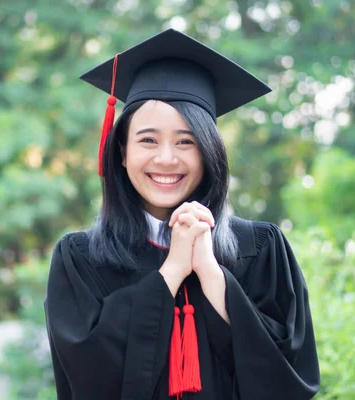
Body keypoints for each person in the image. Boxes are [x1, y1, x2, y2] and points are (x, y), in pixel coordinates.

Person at [44, 29, 320, 400]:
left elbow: (290, 375)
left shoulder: (260, 248)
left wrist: (211, 274)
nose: (166, 158)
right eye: (147, 140)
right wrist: (171, 271)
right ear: (121, 153)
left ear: (209, 152)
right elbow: (89, 377)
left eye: (186, 141)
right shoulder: (81, 259)